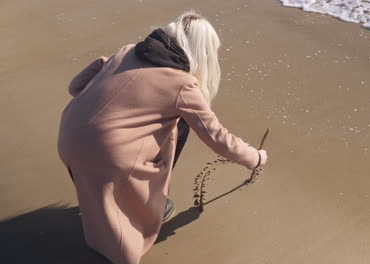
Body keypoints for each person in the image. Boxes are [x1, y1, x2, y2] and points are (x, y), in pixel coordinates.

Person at [57, 11, 268, 264]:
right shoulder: (181, 84)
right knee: (180, 128)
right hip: (107, 156)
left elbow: (75, 87)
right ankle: (145, 207)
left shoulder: (127, 51)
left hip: (68, 137)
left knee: (114, 157)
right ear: (203, 53)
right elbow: (217, 137)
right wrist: (255, 157)